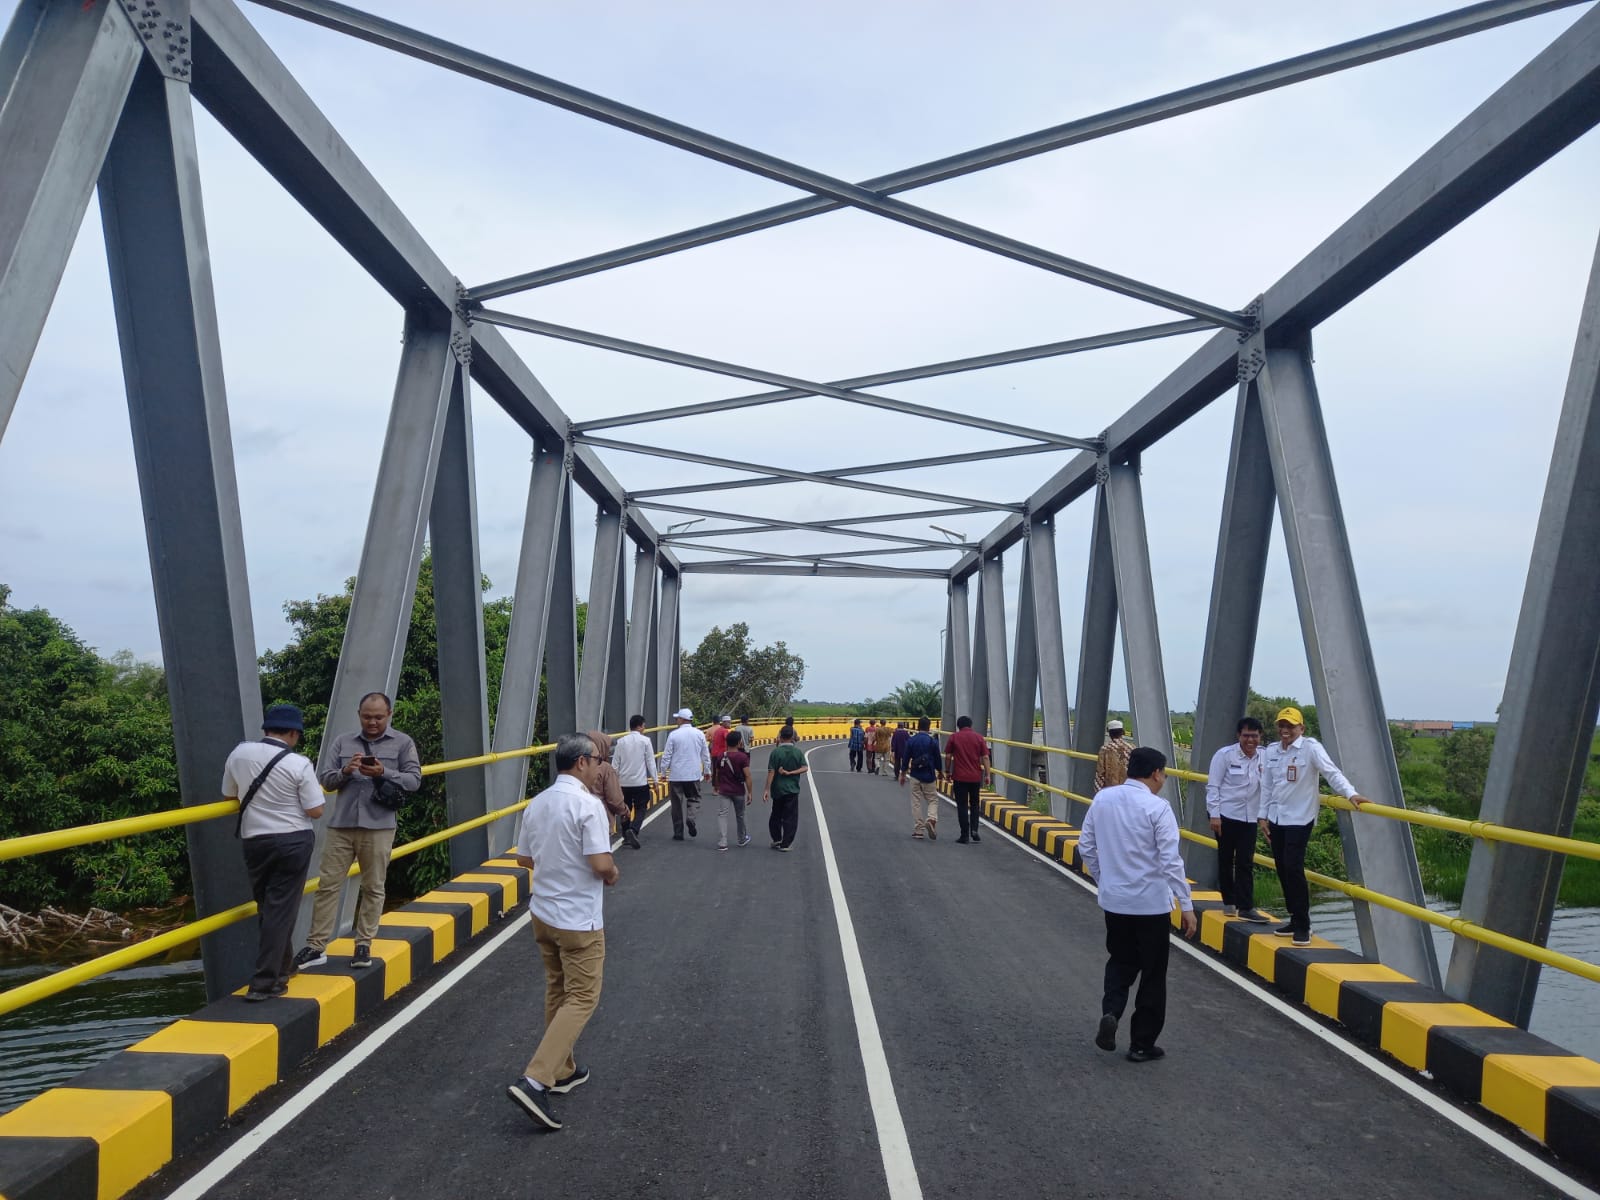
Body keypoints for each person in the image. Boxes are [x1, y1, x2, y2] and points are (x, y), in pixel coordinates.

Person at [506, 733, 619, 1130]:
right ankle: (536, 1080)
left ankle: (563, 1069)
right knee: (583, 997)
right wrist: (612, 874)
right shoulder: (587, 805)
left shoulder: (538, 803)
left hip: (543, 914)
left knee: (558, 988)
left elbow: (524, 858)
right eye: (598, 760)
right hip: (577, 919)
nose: (600, 767)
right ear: (582, 762)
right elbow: (601, 864)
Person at [1079, 746, 1197, 1063]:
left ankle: (1111, 1011)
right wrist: (1186, 905)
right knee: (1153, 974)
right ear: (1156, 773)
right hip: (1151, 906)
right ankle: (1142, 1044)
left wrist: (1104, 879)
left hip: (1115, 902)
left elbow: (1086, 846)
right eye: (1164, 773)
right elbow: (1171, 861)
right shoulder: (1158, 808)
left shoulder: (1103, 799)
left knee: (1120, 961)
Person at [295, 692, 421, 971]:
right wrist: (345, 771)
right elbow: (325, 780)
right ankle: (316, 946)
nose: (372, 722)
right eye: (367, 717)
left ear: (389, 715)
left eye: (378, 717)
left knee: (373, 887)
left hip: (379, 826)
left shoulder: (403, 743)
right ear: (359, 715)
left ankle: (363, 944)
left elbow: (414, 781)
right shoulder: (343, 741)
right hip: (342, 825)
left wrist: (383, 772)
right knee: (328, 886)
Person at [222, 703, 325, 1001]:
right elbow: (316, 810)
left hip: (255, 841)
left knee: (269, 907)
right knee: (281, 908)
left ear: (266, 729)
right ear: (294, 733)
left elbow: (228, 794)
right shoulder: (298, 763)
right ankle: (264, 982)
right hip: (292, 841)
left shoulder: (239, 753)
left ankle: (283, 967)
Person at [1259, 706, 1369, 947]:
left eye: (1290, 726)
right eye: (1282, 725)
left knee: (1293, 867)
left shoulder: (1311, 748)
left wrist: (1350, 793)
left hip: (1300, 818)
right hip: (1276, 817)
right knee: (1282, 867)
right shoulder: (1271, 751)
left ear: (1301, 728)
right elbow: (1267, 785)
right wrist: (1262, 816)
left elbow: (1331, 772)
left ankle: (1303, 925)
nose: (1285, 730)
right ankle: (1294, 918)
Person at [1205, 717, 1269, 922]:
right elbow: (1213, 786)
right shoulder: (1225, 755)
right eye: (1246, 735)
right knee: (1225, 858)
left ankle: (1246, 907)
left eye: (1254, 736)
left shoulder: (1265, 756)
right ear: (1238, 736)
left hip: (1250, 817)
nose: (1250, 740)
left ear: (1260, 736)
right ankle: (1228, 901)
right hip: (1225, 815)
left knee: (1245, 861)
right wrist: (1214, 815)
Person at [660, 707, 710, 841]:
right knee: (694, 798)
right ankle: (691, 818)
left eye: (677, 718)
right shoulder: (699, 734)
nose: (676, 720)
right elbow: (705, 754)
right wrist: (707, 770)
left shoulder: (673, 735)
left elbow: (666, 755)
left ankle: (678, 832)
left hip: (676, 775)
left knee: (676, 804)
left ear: (682, 719)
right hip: (693, 774)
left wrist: (663, 772)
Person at [585, 730, 636, 850]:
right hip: (601, 818)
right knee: (600, 854)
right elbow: (614, 798)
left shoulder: (578, 766)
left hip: (579, 818)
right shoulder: (605, 768)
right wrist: (624, 811)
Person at [612, 713, 658, 847]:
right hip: (640, 783)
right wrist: (655, 780)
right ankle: (634, 829)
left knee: (625, 808)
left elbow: (615, 765)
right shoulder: (645, 741)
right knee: (641, 807)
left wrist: (614, 782)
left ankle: (626, 835)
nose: (645, 728)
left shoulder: (621, 741)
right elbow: (650, 762)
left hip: (623, 783)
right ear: (640, 726)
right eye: (644, 726)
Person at [944, 715, 991, 843]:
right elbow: (985, 757)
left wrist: (947, 771)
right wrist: (987, 775)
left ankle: (964, 835)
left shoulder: (954, 737)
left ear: (958, 726)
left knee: (962, 805)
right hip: (975, 777)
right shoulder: (979, 738)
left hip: (959, 777)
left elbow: (948, 756)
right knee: (975, 804)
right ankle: (974, 829)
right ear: (971, 725)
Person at [763, 725, 808, 850]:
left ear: (780, 736)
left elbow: (771, 771)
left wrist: (766, 789)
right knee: (790, 817)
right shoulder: (797, 752)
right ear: (792, 737)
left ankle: (777, 838)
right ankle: (786, 843)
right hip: (792, 790)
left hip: (777, 789)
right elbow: (805, 768)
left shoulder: (775, 752)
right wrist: (791, 773)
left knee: (776, 814)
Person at [714, 728, 753, 850]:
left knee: (722, 815)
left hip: (724, 790)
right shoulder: (742, 757)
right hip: (738, 791)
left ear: (727, 742)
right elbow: (747, 776)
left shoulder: (721, 756)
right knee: (740, 815)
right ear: (739, 742)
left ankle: (722, 842)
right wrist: (750, 792)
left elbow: (717, 774)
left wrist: (717, 786)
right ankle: (741, 839)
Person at [903, 716, 943, 840]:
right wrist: (940, 771)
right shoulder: (933, 742)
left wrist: (902, 774)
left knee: (916, 802)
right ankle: (931, 819)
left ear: (918, 726)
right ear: (929, 727)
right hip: (929, 775)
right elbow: (937, 759)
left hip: (915, 775)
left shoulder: (911, 741)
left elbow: (905, 758)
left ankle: (918, 830)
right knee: (932, 800)